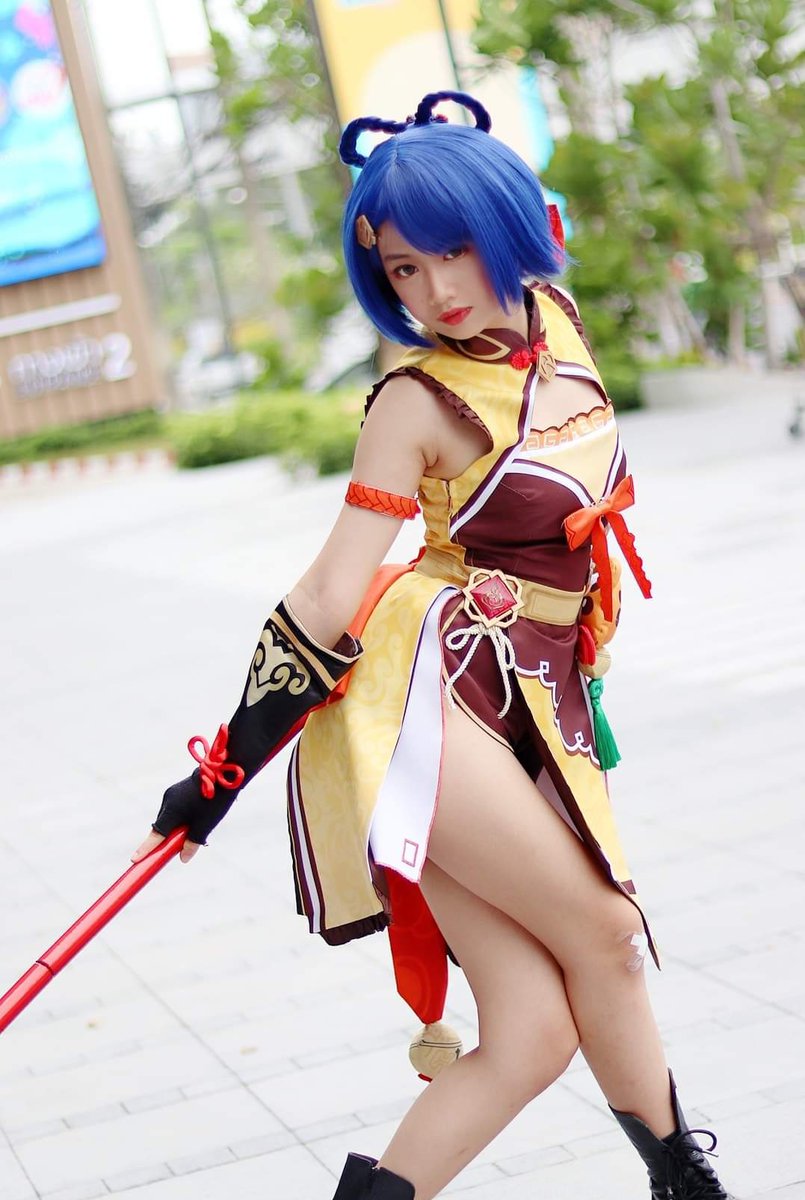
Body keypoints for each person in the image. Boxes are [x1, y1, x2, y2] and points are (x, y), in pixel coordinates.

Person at [132, 91, 735, 1200]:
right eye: (402, 269)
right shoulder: (413, 402)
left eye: (450, 251)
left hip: (532, 691)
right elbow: (330, 587)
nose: (435, 291)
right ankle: (689, 1189)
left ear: (505, 226)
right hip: (424, 694)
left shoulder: (556, 320)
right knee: (607, 932)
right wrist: (219, 771)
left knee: (532, 1032)